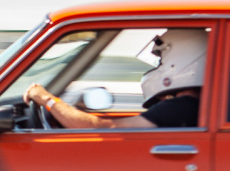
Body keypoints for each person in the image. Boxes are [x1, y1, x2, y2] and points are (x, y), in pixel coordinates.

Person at [23, 29, 206, 129]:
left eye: (161, 60)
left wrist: (46, 99)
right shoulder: (196, 106)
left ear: (181, 59)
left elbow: (100, 129)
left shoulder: (181, 108)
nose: (159, 67)